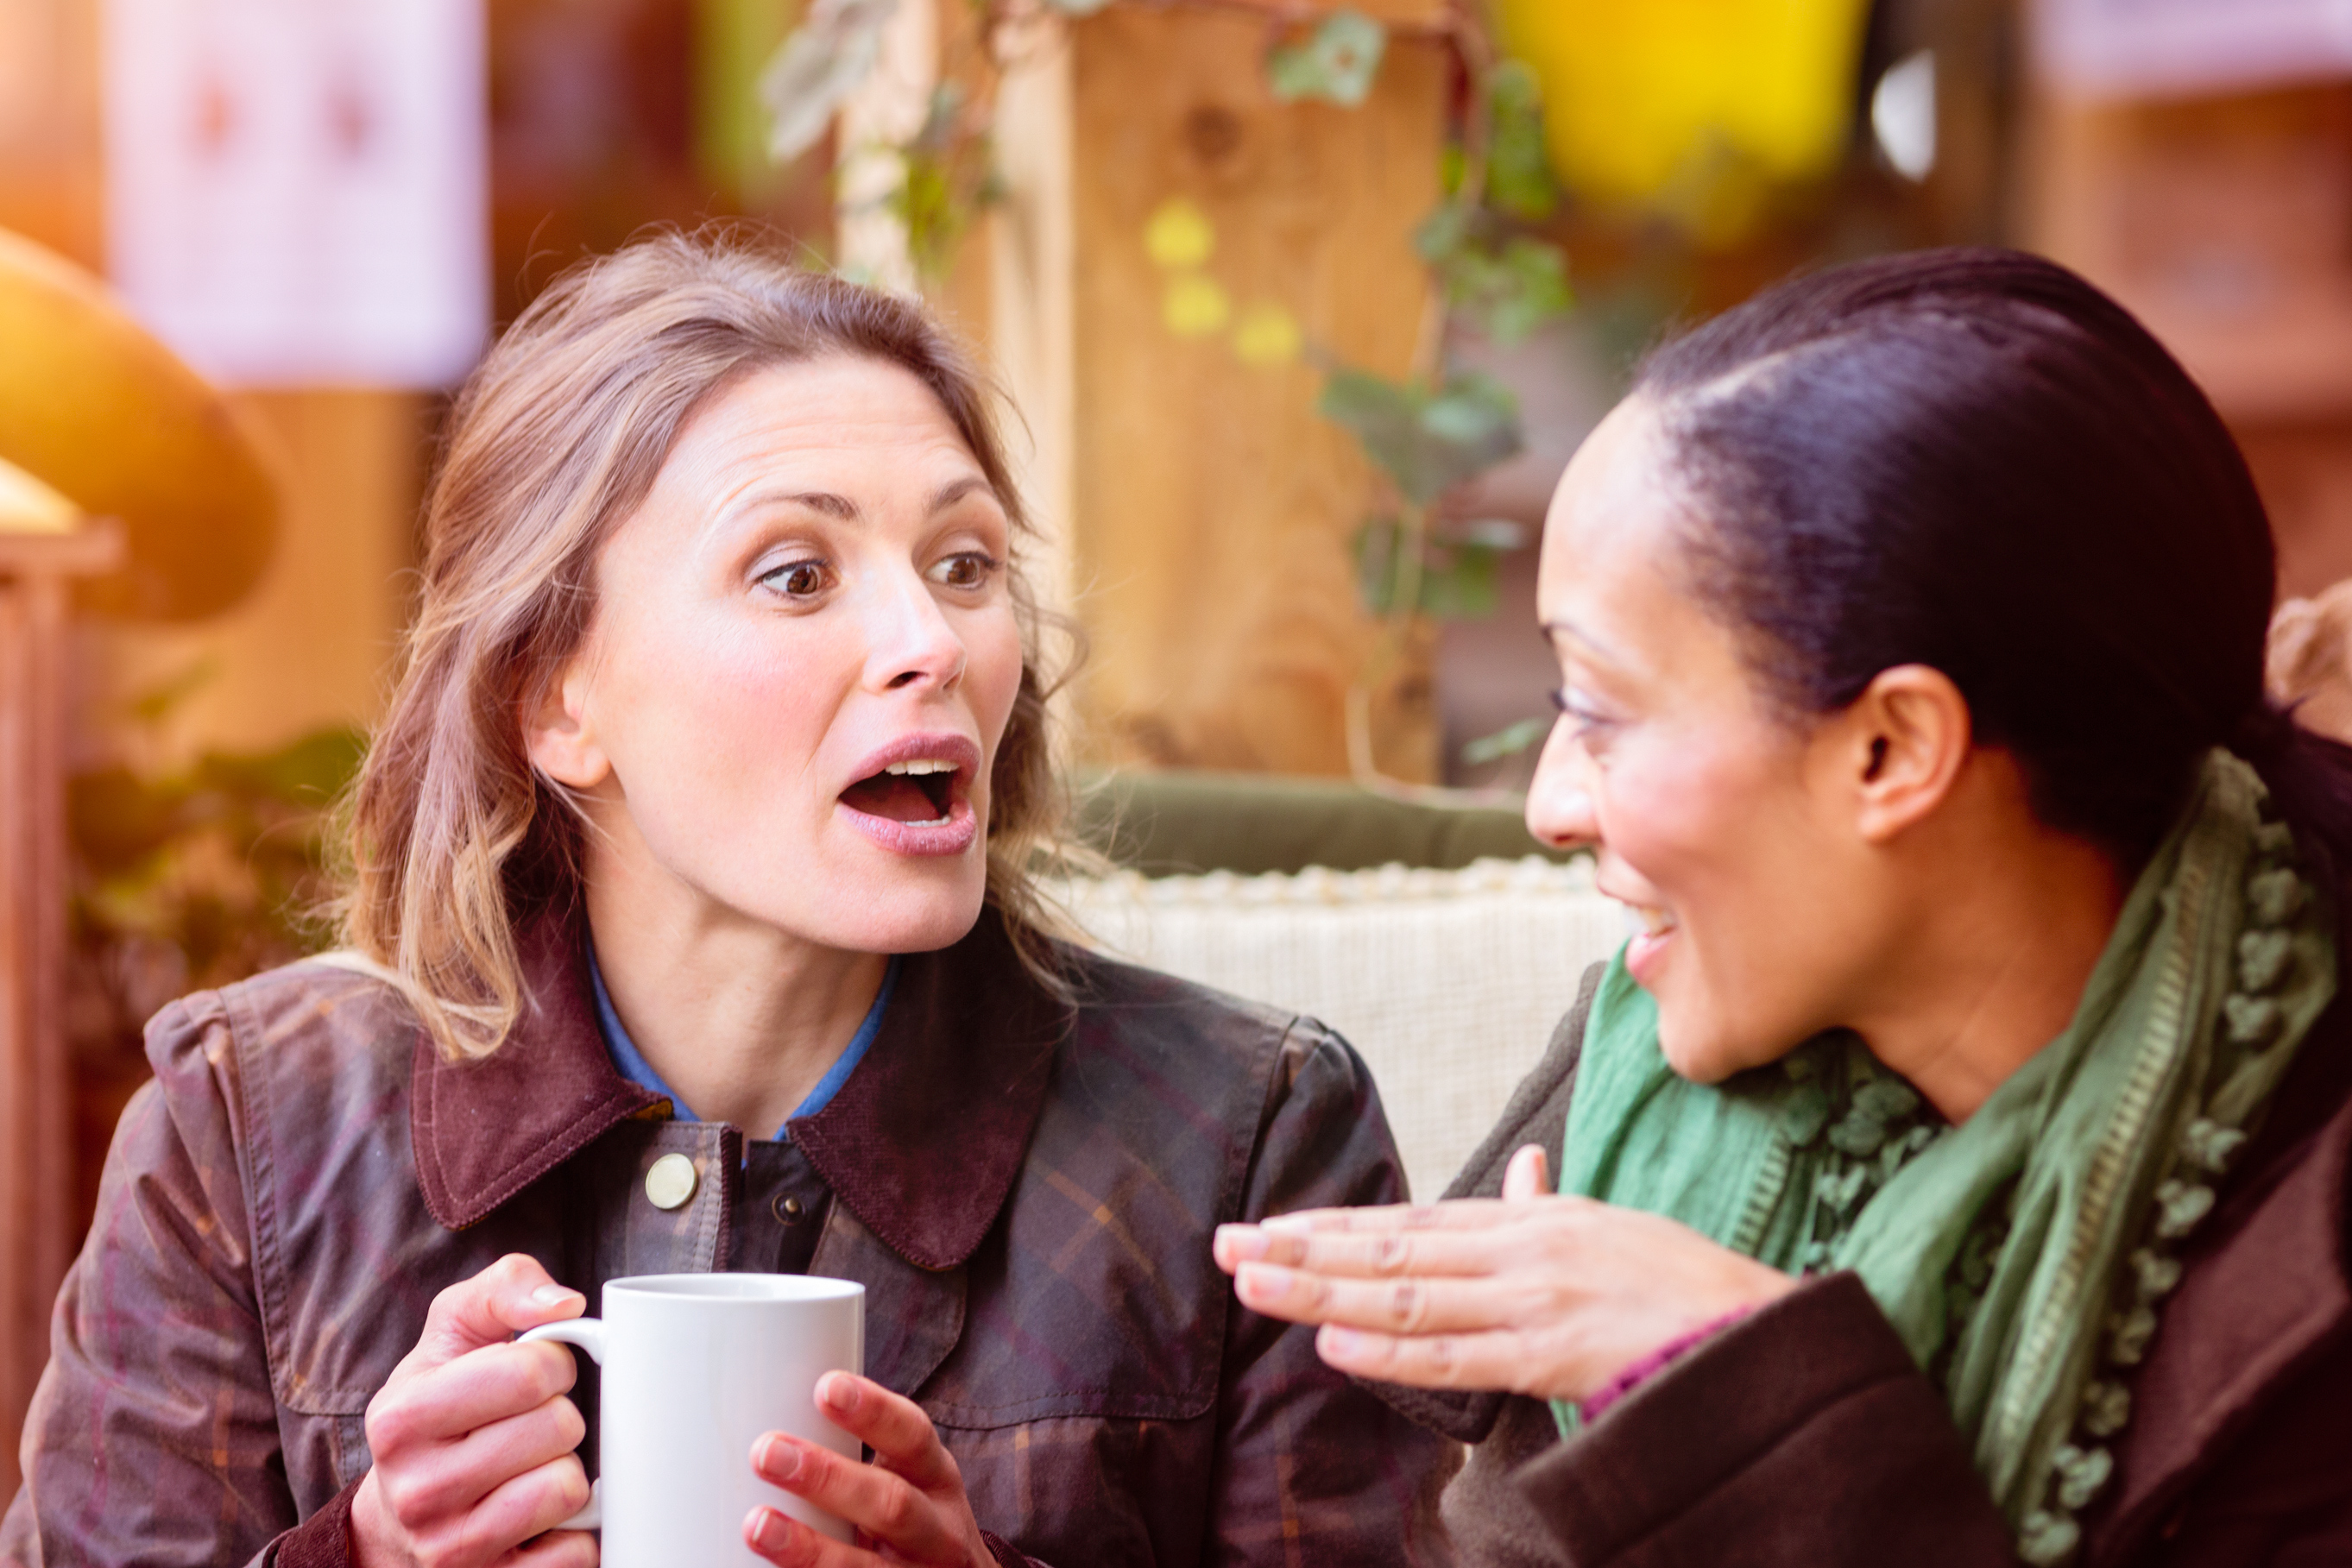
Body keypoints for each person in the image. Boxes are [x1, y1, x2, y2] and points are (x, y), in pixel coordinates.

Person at [3, 233, 1453, 1568]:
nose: (929, 640)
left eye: (963, 564)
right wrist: (365, 1553)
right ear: (554, 700)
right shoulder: (246, 1131)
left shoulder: (1252, 1143)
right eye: (795, 573)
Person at [1213, 249, 2352, 1566]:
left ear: (1889, 751)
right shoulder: (1673, 1075)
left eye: (1598, 707)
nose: (1547, 801)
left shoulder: (2303, 1266)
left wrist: (1744, 1389)